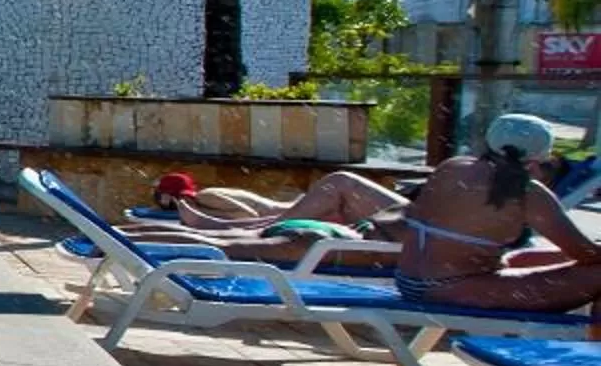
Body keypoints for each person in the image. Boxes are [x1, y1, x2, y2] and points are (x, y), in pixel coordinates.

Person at [392, 113, 601, 319]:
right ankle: (594, 346)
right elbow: (586, 253)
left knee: (524, 257)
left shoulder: (451, 167)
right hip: (453, 288)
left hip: (408, 281)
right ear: (544, 154)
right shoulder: (528, 191)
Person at [148, 169, 407, 233]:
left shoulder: (206, 197)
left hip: (295, 213)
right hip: (297, 210)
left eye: (160, 196)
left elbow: (244, 213)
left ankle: (255, 231)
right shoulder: (205, 197)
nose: (158, 201)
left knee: (338, 181)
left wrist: (221, 223)